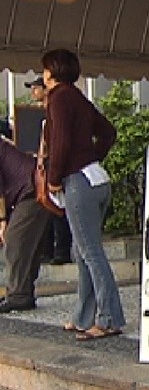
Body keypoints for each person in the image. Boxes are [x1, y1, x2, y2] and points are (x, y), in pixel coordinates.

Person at [41, 48, 125, 340]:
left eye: (44, 70)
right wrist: (91, 156)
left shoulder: (59, 97)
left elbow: (60, 142)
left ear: (51, 71)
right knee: (82, 251)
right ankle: (83, 315)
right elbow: (108, 132)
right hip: (96, 179)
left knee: (90, 252)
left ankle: (108, 318)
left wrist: (54, 178)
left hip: (78, 182)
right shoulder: (78, 96)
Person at [25, 76, 73, 265]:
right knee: (46, 206)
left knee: (58, 208)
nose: (33, 92)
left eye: (36, 88)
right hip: (44, 165)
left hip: (55, 165)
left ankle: (62, 251)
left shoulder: (55, 112)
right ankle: (48, 250)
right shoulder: (43, 115)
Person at [0, 137, 52, 313]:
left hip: (32, 189)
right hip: (37, 186)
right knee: (28, 244)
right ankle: (23, 292)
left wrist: (2, 221)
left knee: (15, 241)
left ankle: (18, 295)